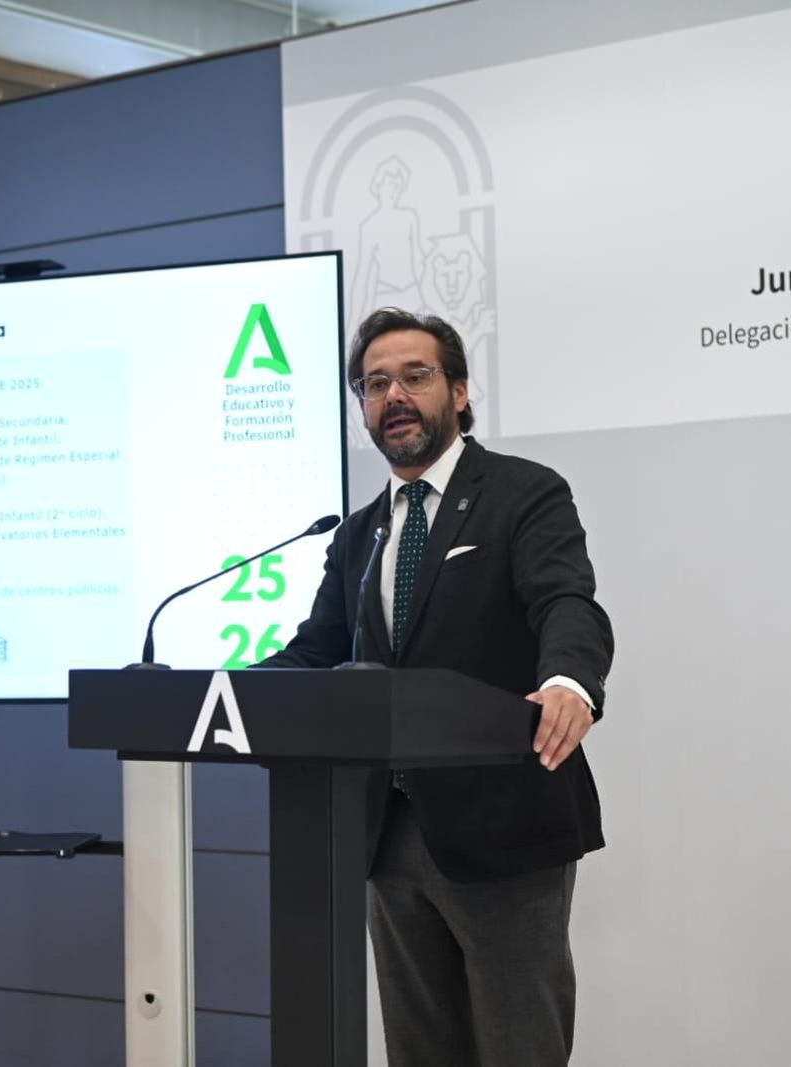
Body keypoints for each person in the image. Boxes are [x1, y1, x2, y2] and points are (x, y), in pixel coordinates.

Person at [263, 307, 613, 1067]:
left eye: (415, 376)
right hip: (387, 831)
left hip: (504, 825)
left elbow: (566, 600)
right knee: (420, 1051)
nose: (394, 394)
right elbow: (316, 650)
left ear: (458, 390)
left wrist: (569, 679)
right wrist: (228, 695)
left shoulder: (523, 493)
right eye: (375, 382)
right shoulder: (357, 531)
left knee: (520, 1046)